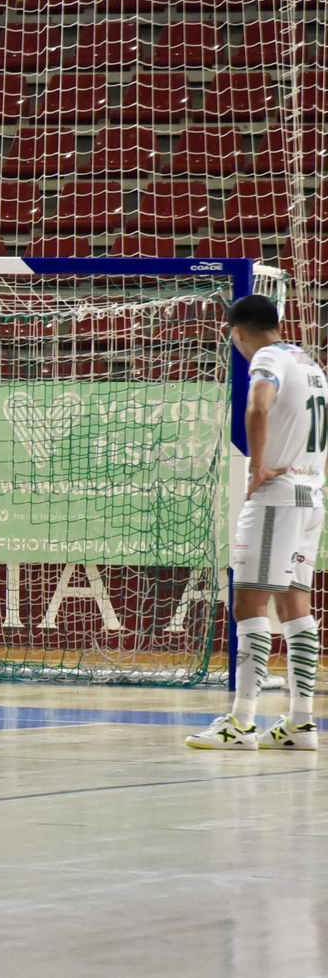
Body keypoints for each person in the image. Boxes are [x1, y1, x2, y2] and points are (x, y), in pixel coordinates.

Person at [188, 295, 323, 751]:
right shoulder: (310, 362)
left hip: (277, 497)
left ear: (237, 332)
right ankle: (301, 722)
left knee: (249, 603)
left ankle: (241, 721)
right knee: (295, 605)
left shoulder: (265, 357)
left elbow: (259, 407)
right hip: (310, 494)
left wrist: (257, 467)